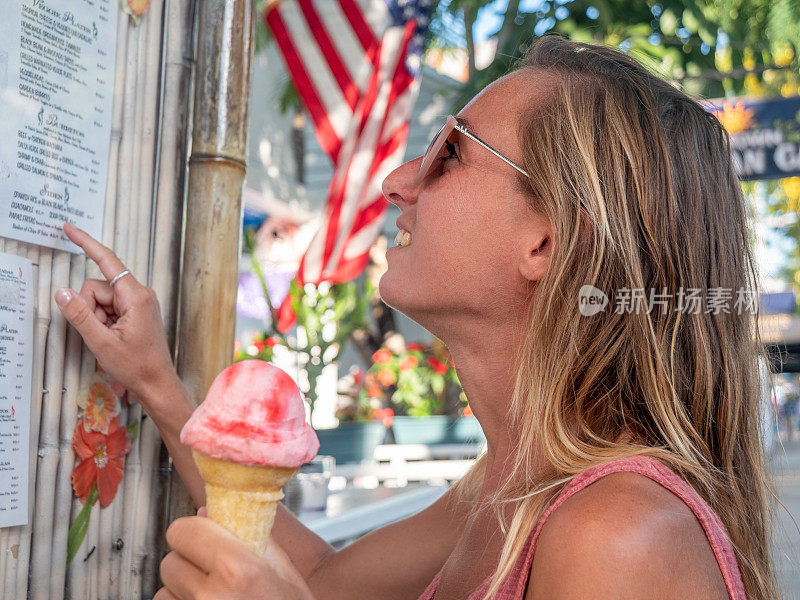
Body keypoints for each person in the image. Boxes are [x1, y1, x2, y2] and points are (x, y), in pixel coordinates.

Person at [53, 35, 779, 600]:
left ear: (549, 240)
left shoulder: (619, 532)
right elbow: (324, 581)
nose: (398, 181)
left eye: (450, 155)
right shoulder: (513, 482)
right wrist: (155, 381)